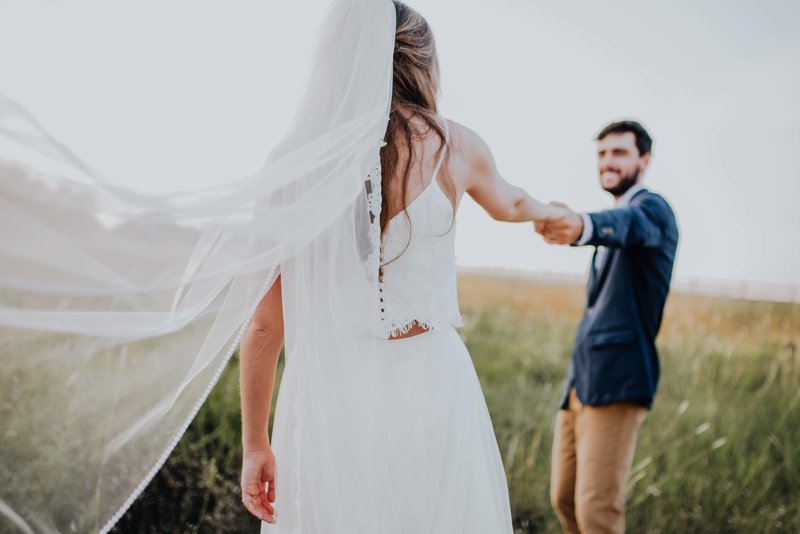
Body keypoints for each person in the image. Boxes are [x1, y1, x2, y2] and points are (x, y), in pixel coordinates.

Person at [238, 2, 568, 532]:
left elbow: (263, 324)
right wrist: (555, 214)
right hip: (431, 384)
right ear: (420, 61)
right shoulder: (453, 143)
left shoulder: (293, 166)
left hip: (328, 395)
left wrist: (256, 444)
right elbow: (512, 203)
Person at [536, 120, 679, 533]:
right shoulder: (618, 217)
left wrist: (581, 226)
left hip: (618, 381)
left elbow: (628, 227)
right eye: (602, 154)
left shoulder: (651, 210)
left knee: (597, 512)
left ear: (644, 159)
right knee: (564, 499)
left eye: (619, 152)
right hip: (580, 383)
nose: (607, 162)